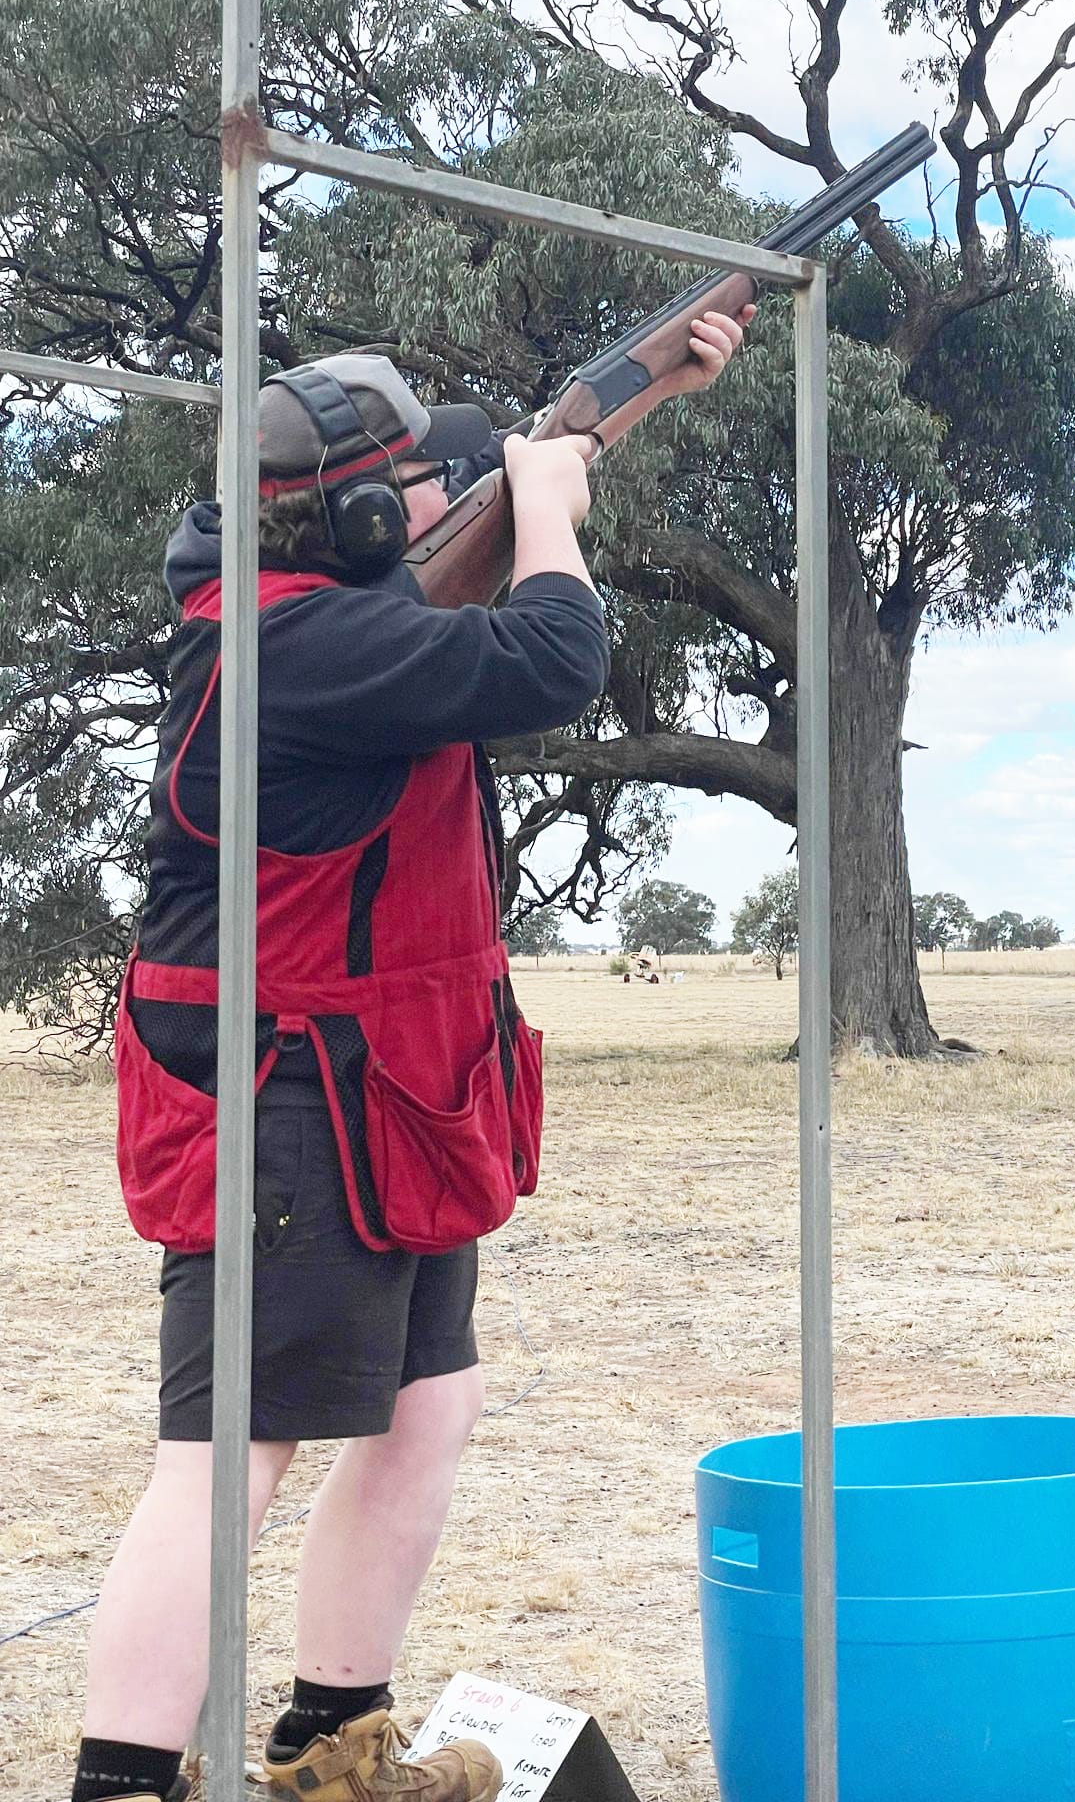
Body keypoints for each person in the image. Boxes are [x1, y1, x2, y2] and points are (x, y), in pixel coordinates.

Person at [72, 307, 752, 1802]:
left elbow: (500, 476)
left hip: (375, 1090)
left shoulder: (312, 586)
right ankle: (119, 1782)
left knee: (428, 1405)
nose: (451, 500)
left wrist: (625, 406)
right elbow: (553, 649)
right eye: (421, 494)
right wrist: (558, 516)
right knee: (229, 1458)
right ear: (369, 520)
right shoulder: (306, 638)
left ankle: (335, 1742)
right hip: (283, 1094)